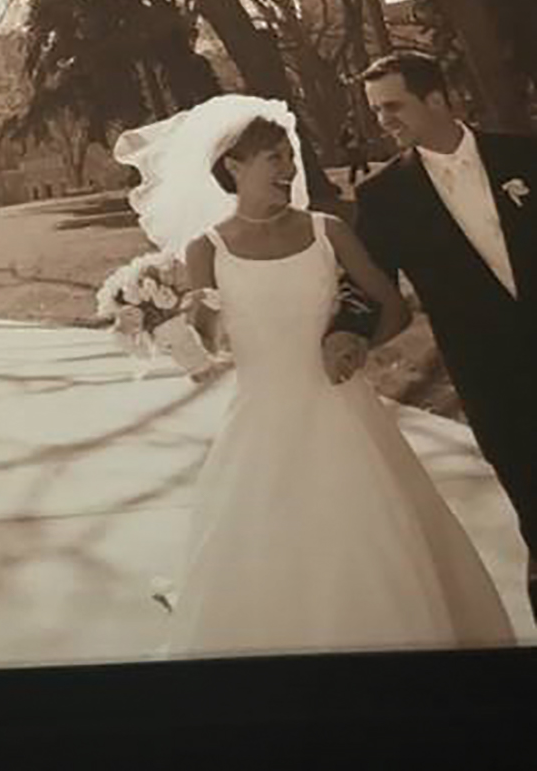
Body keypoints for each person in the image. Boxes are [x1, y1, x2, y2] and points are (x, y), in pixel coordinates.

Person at [113, 93, 514, 657]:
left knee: (373, 539)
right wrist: (171, 332)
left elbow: (394, 308)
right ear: (235, 167)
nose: (289, 169)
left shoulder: (329, 231)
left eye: (290, 156)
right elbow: (208, 345)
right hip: (261, 424)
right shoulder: (207, 248)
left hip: (345, 412)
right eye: (274, 158)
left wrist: (356, 342)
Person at [325, 50, 537, 622]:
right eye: (376, 110)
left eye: (393, 106)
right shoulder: (384, 195)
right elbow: (368, 282)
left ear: (438, 99)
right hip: (492, 382)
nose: (382, 121)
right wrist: (347, 331)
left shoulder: (524, 156)